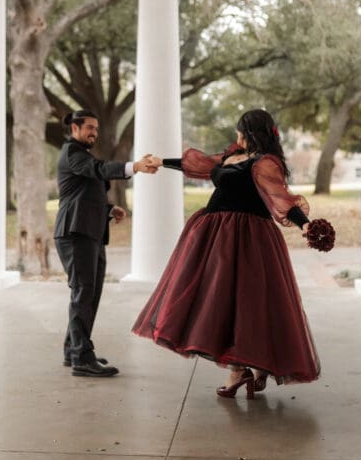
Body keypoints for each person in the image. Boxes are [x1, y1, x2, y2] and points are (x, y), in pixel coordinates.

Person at [132, 108, 322, 398]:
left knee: (249, 303)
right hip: (215, 235)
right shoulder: (232, 156)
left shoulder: (265, 163)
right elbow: (201, 165)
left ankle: (244, 369)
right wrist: (162, 162)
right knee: (220, 301)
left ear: (249, 133)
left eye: (240, 132)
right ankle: (245, 368)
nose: (237, 137)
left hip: (248, 239)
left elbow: (282, 199)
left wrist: (305, 225)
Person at [54, 110, 158, 377]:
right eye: (89, 128)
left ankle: (74, 350)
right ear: (75, 129)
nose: (94, 133)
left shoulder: (82, 154)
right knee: (83, 293)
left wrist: (110, 209)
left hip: (88, 232)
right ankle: (81, 357)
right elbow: (99, 170)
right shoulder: (72, 153)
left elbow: (84, 193)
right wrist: (133, 166)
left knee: (88, 294)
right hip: (75, 234)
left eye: (96, 129)